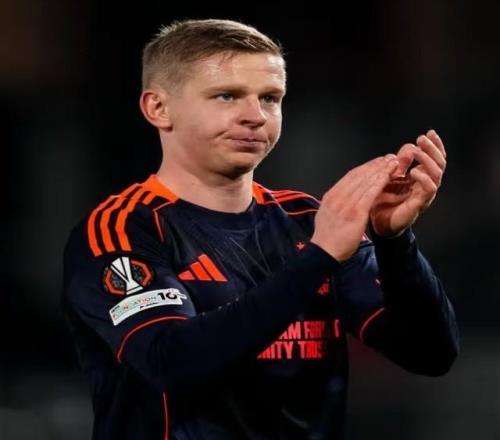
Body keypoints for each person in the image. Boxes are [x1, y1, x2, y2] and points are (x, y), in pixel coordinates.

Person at [63, 18, 459, 440]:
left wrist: (394, 242)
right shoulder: (123, 229)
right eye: (226, 96)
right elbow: (171, 362)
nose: (255, 116)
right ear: (158, 108)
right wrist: (319, 258)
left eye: (270, 98)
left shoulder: (308, 220)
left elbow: (429, 354)